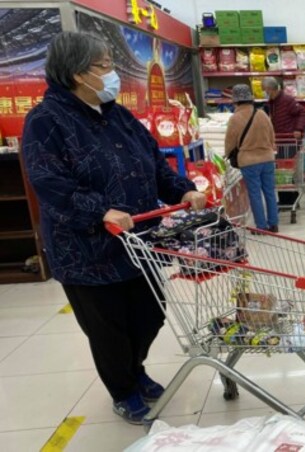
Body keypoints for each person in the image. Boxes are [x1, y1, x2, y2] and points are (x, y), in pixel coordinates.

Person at [21, 32, 207, 425]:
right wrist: (101, 210)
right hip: (88, 252)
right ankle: (123, 389)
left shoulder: (118, 115)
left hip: (140, 242)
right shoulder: (45, 121)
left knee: (150, 315)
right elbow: (50, 184)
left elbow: (154, 164)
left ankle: (134, 369)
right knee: (108, 329)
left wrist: (184, 189)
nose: (112, 73)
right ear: (76, 74)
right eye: (103, 66)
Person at [225, 84, 279, 233]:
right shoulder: (262, 114)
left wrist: (227, 154)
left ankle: (261, 227)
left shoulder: (235, 118)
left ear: (235, 101)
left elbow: (230, 142)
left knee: (254, 194)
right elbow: (271, 136)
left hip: (248, 161)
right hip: (267, 158)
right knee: (269, 191)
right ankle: (274, 224)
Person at [262, 76, 305, 140]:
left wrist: (298, 129)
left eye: (263, 89)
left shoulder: (287, 100)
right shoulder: (271, 103)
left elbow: (304, 113)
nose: (263, 92)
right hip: (278, 140)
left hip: (289, 140)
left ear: (269, 89)